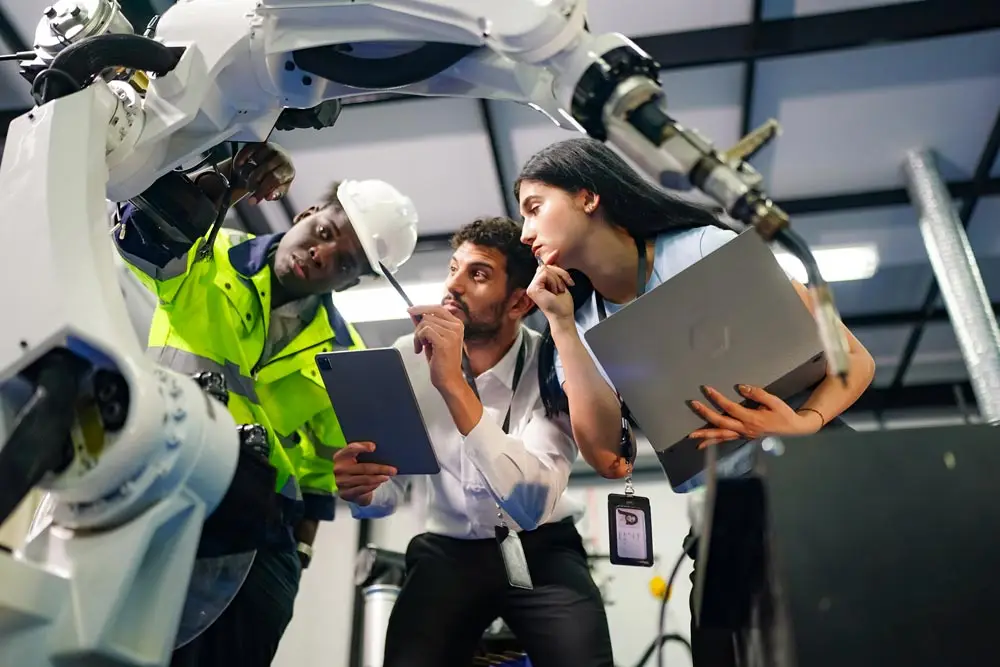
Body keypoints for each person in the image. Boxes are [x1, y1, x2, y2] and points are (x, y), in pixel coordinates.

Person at [515, 137, 876, 664]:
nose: (525, 232)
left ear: (588, 196)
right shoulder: (579, 322)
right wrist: (563, 326)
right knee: (717, 646)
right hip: (727, 504)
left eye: (534, 207)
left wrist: (803, 423)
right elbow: (606, 457)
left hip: (820, 473)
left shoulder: (704, 246)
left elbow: (854, 358)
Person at [113, 142, 420, 667]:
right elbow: (145, 228)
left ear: (352, 281)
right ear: (306, 213)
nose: (321, 255)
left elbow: (323, 480)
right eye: (323, 233)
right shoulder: (209, 257)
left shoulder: (341, 357)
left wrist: (298, 558)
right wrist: (221, 183)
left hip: (262, 526)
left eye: (344, 263)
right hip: (162, 477)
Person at [333, 216, 616, 667]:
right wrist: (363, 488)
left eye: (478, 274)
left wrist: (453, 386)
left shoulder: (552, 366)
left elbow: (531, 501)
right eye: (453, 269)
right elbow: (390, 493)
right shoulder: (408, 357)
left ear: (519, 302)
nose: (454, 286)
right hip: (448, 548)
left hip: (541, 547)